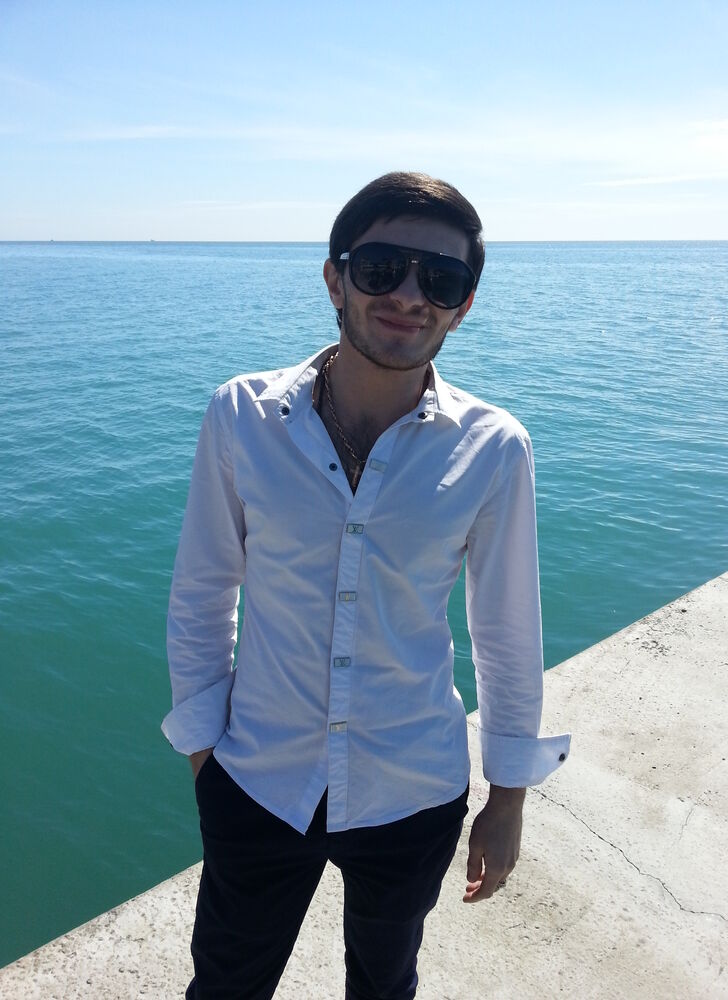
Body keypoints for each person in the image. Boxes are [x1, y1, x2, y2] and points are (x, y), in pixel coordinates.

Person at [162, 171, 570, 1000]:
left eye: (441, 280)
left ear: (462, 305)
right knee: (225, 985)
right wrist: (206, 755)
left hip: (412, 790)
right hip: (257, 779)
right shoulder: (240, 416)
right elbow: (203, 593)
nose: (410, 296)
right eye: (383, 267)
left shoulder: (495, 448)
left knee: (385, 985)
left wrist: (509, 796)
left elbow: (506, 635)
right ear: (335, 278)